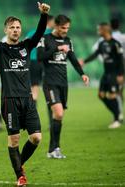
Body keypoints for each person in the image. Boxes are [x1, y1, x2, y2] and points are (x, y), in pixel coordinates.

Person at [0, 2, 50, 186]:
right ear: (6, 30)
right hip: (9, 101)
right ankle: (20, 176)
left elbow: (38, 33)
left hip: (28, 100)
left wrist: (43, 15)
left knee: (36, 138)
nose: (15, 30)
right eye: (12, 27)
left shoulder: (27, 46)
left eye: (18, 27)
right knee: (13, 140)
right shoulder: (0, 49)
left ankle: (19, 164)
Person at [37, 15, 89, 159]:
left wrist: (82, 74)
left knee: (58, 117)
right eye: (63, 28)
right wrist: (57, 48)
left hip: (63, 83)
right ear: (56, 25)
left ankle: (53, 149)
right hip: (50, 83)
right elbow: (40, 57)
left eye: (67, 28)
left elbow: (73, 59)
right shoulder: (45, 39)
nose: (65, 30)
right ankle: (54, 149)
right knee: (58, 113)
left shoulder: (68, 41)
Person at [80, 22, 124, 129]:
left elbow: (121, 60)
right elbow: (95, 54)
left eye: (99, 30)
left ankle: (117, 118)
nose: (98, 31)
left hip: (114, 74)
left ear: (105, 30)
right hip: (106, 73)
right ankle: (117, 114)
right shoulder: (102, 43)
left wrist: (120, 74)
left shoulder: (116, 44)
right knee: (101, 95)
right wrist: (84, 61)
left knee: (113, 96)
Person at [26, 15, 54, 105]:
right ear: (49, 21)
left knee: (34, 87)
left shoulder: (33, 32)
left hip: (33, 62)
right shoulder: (52, 33)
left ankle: (32, 110)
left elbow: (25, 44)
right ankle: (52, 109)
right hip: (45, 62)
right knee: (50, 87)